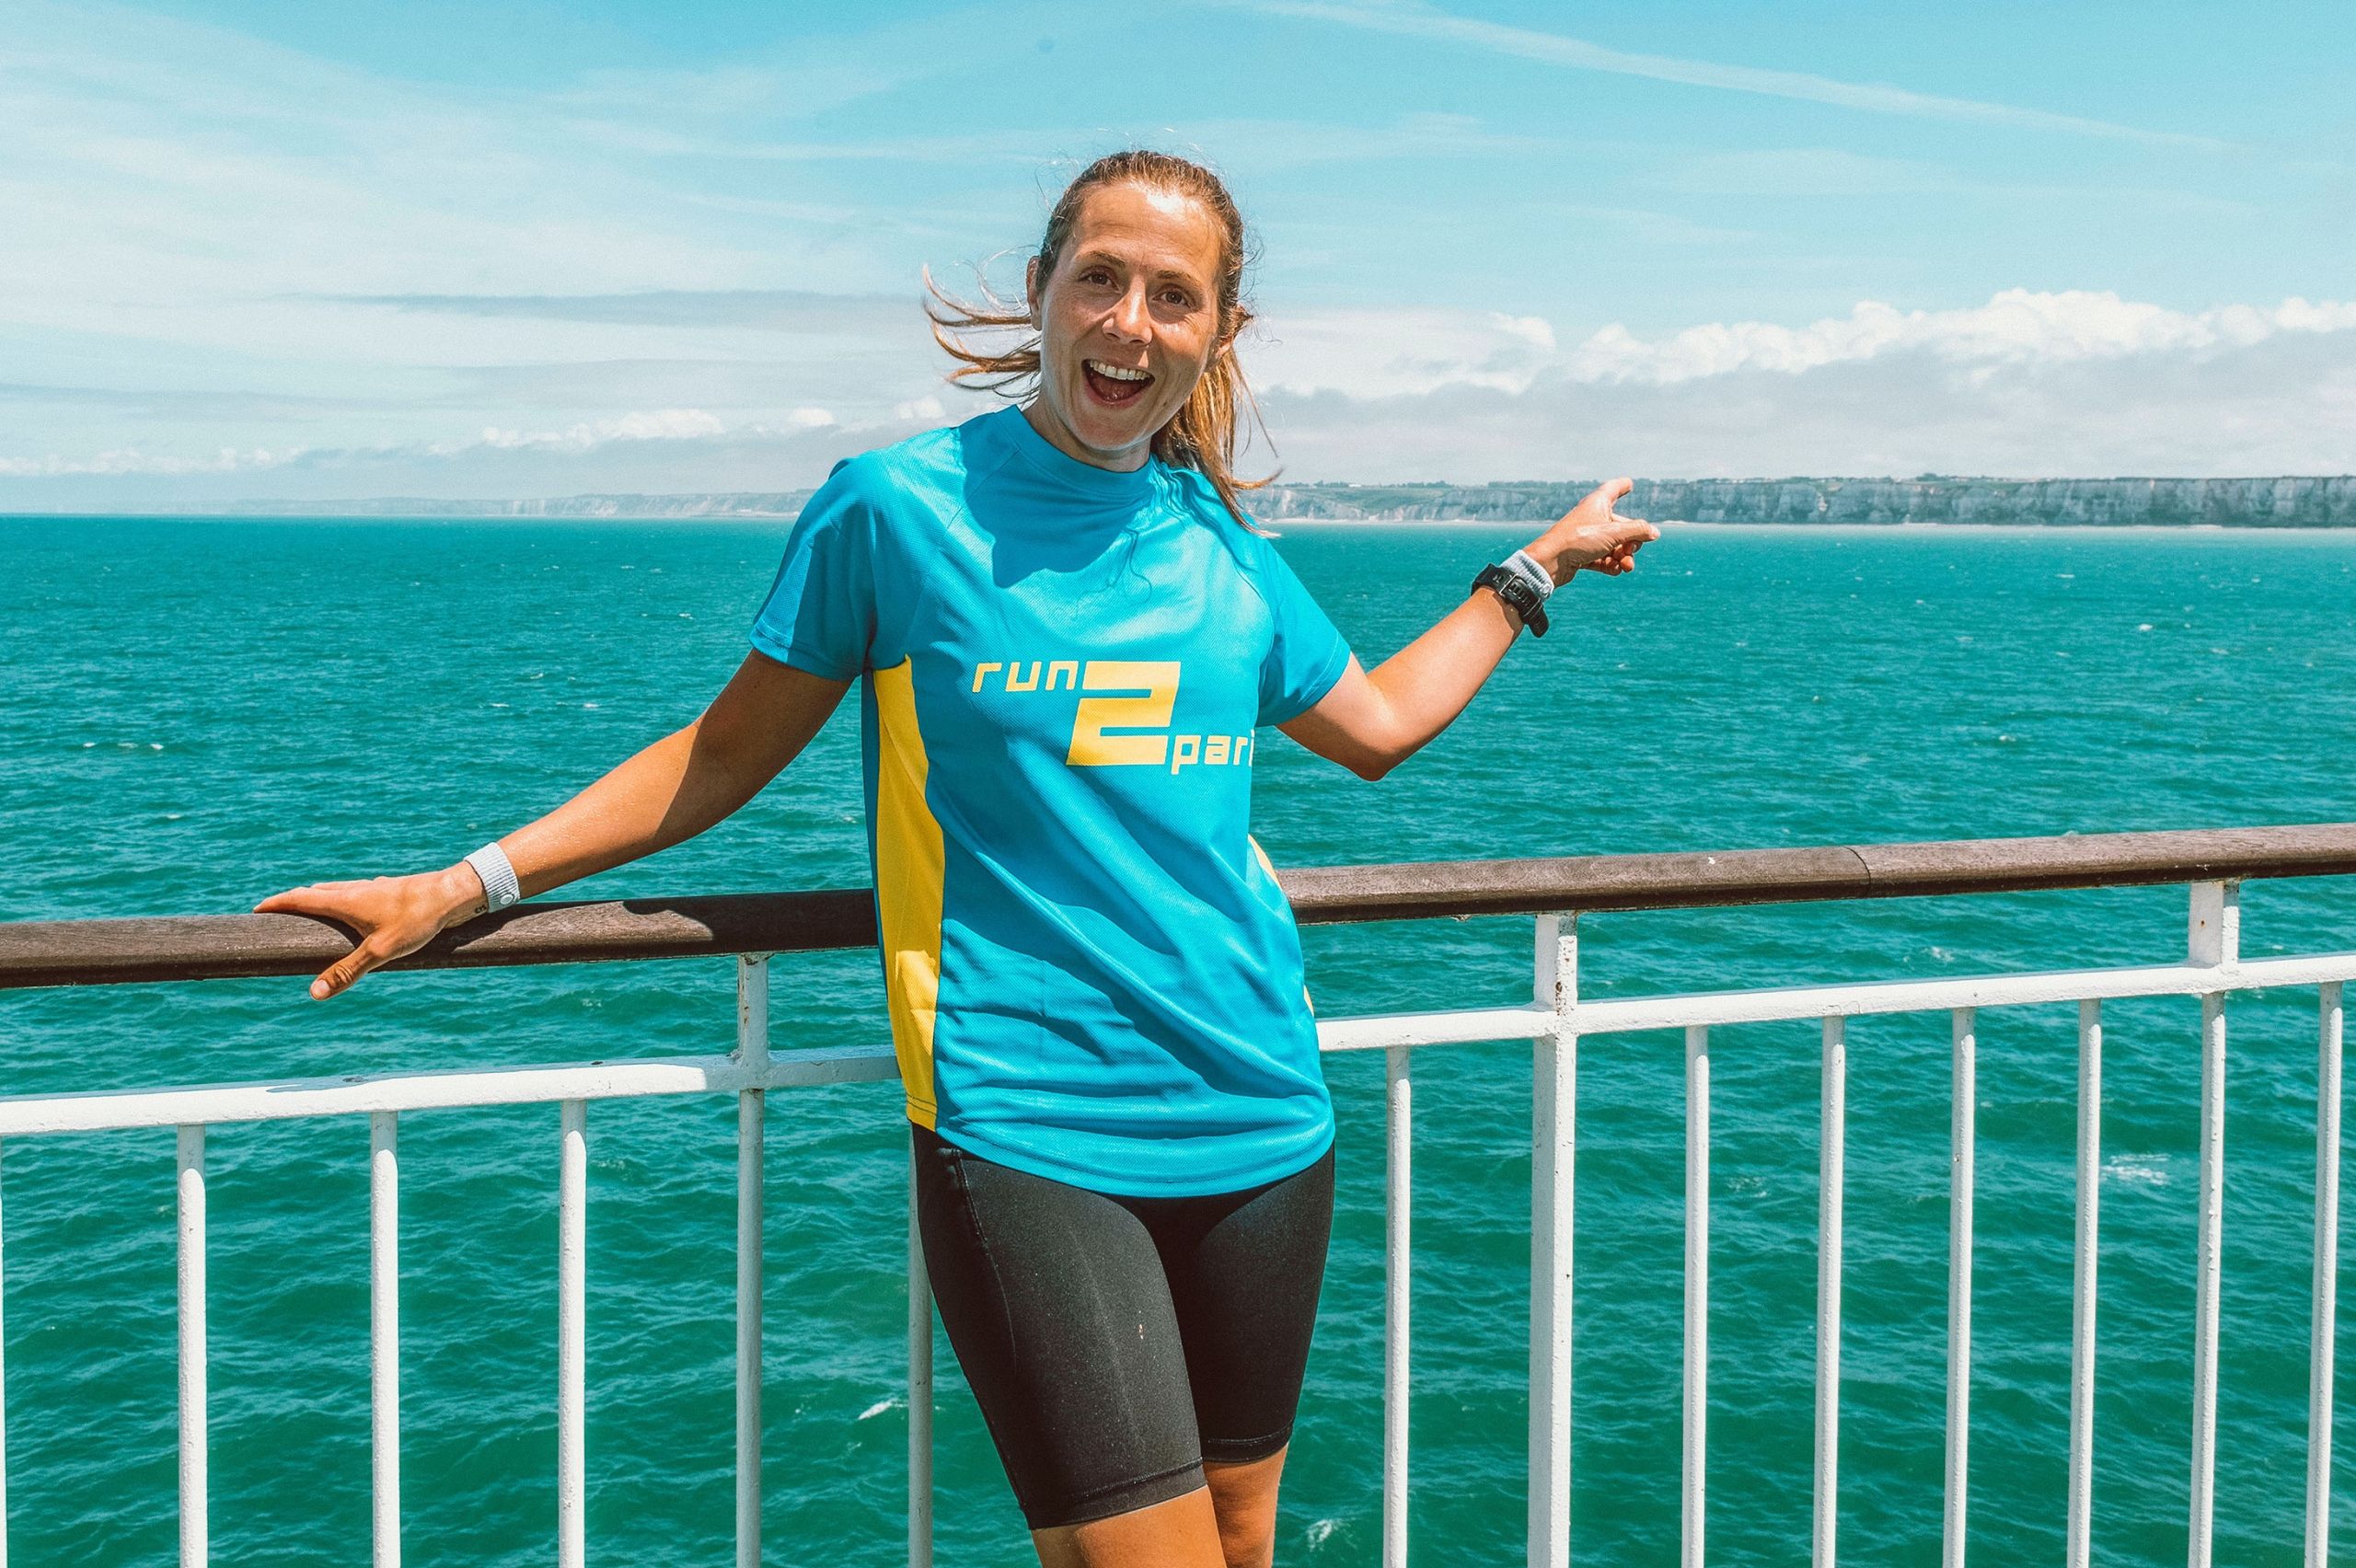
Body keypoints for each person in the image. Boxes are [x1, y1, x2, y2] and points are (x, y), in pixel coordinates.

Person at [254, 147, 1657, 1568]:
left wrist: (1531, 571)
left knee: (1243, 1541)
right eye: (1099, 276)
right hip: (1030, 1124)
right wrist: (468, 882)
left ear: (1219, 334)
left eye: (1174, 296)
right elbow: (720, 757)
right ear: (1041, 288)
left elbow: (1374, 726)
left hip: (1264, 1116)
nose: (1129, 321)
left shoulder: (1217, 541)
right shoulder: (896, 509)